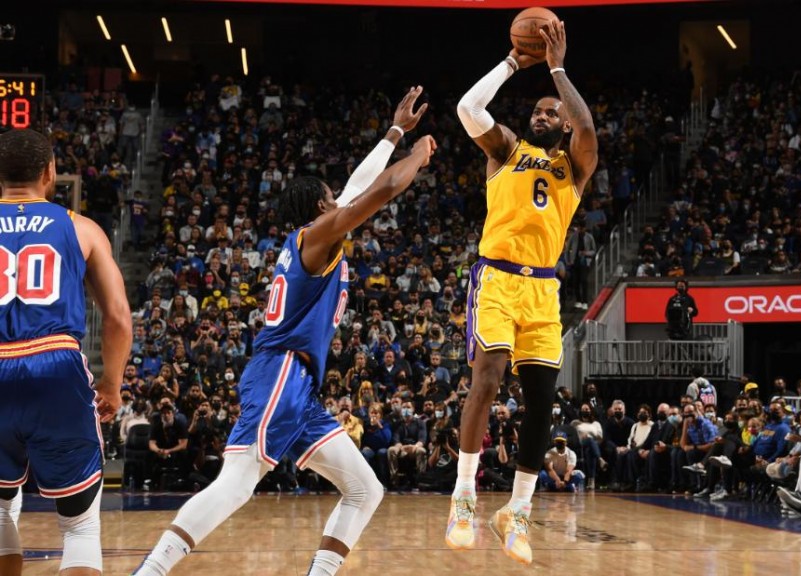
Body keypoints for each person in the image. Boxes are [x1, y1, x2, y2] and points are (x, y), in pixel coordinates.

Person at [133, 87, 435, 576]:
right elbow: (376, 193)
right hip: (282, 373)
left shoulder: (309, 241)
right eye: (333, 199)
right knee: (236, 483)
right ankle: (150, 571)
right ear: (321, 203)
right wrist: (416, 157)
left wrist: (395, 133)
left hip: (300, 387)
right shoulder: (315, 240)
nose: (341, 200)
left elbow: (357, 189)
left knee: (365, 488)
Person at [446, 19, 598, 566]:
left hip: (543, 291)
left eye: (550, 113)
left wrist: (558, 70)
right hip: (497, 279)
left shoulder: (574, 168)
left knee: (541, 404)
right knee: (486, 379)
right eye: (536, 110)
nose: (541, 115)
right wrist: (515, 62)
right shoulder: (506, 150)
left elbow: (588, 131)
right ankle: (464, 497)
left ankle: (517, 511)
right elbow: (468, 109)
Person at [0, 129, 132, 576]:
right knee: (79, 526)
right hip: (54, 362)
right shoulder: (82, 227)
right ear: (50, 171)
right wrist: (111, 385)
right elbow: (117, 318)